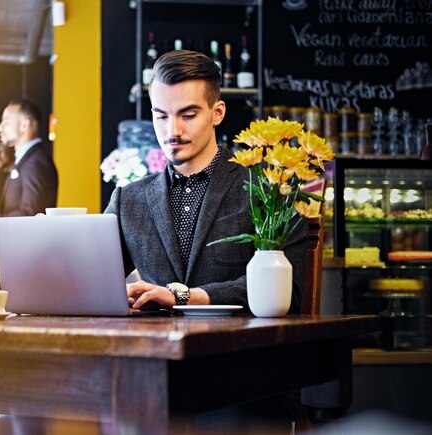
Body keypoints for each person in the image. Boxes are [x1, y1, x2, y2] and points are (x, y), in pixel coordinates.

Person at [105, 50, 307, 312]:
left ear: (217, 113)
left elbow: (287, 290)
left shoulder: (271, 189)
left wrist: (185, 297)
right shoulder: (128, 200)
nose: (173, 131)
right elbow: (92, 283)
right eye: (161, 116)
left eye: (188, 115)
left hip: (240, 346)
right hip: (154, 347)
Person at [0, 99, 58, 238]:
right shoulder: (24, 162)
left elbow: (32, 217)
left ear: (25, 125)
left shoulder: (37, 163)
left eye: (7, 122)